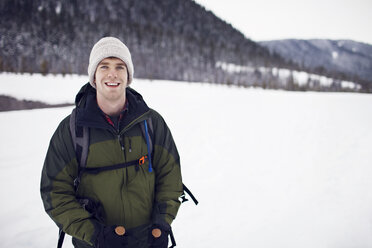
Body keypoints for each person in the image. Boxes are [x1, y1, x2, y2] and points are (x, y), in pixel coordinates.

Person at [40, 37, 183, 248]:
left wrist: (162, 222)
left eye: (120, 67)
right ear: (94, 77)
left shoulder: (151, 123)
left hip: (147, 241)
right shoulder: (72, 130)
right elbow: (54, 192)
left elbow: (170, 177)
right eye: (104, 66)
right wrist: (95, 234)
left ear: (128, 76)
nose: (112, 74)